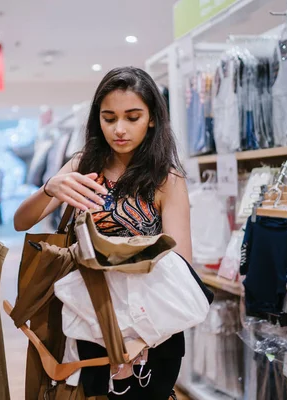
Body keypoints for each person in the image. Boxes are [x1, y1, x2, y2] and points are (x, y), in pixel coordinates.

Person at [14, 66, 191, 399]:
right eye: (109, 118)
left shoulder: (166, 179)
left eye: (132, 117)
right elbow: (21, 222)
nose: (119, 129)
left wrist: (142, 338)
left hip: (152, 329)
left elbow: (182, 267)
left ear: (152, 119)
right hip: (93, 321)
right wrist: (50, 187)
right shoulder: (83, 167)